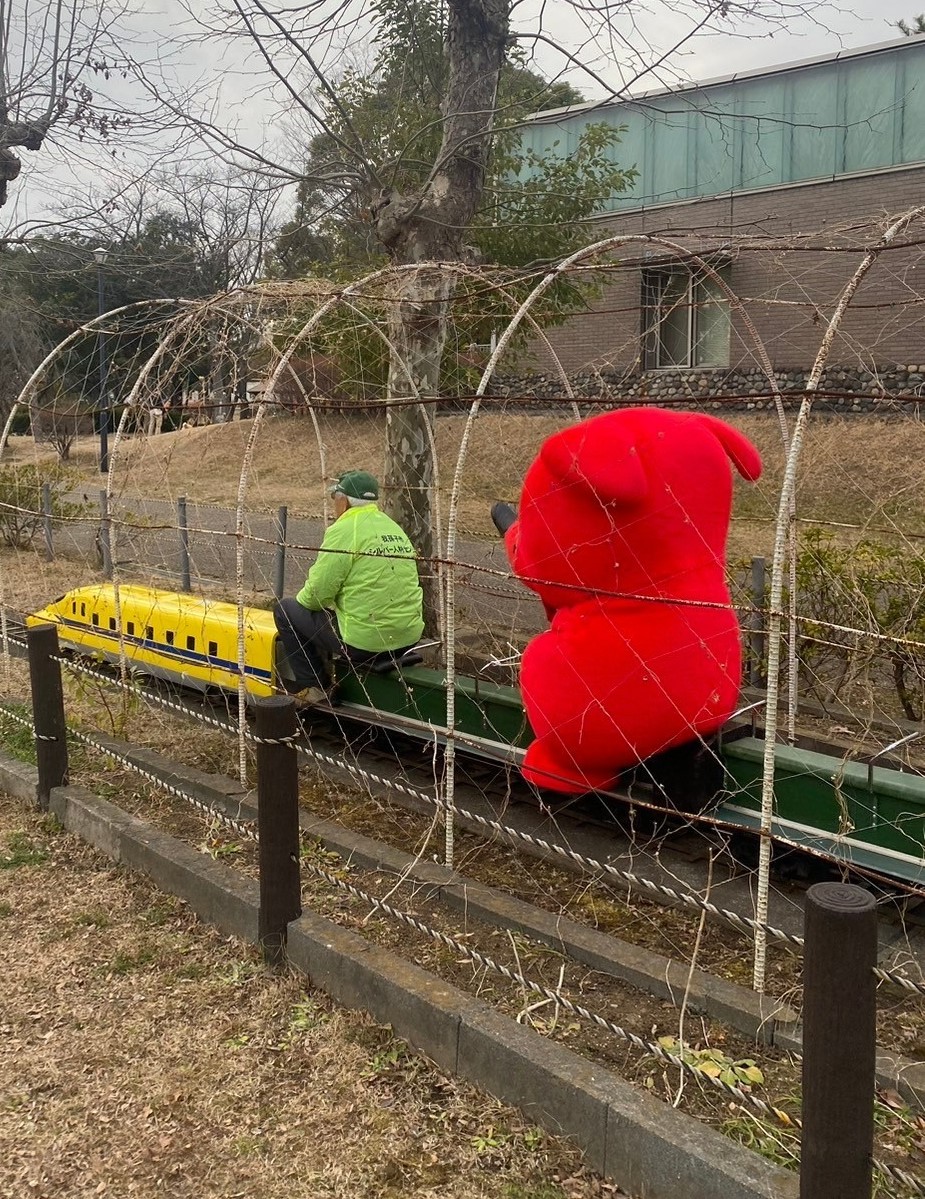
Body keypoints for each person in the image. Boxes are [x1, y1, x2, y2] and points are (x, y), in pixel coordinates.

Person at [274, 470, 424, 707]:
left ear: (343, 500)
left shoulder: (344, 530)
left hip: (365, 643)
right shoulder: (394, 529)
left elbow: (314, 597)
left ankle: (313, 687)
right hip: (408, 637)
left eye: (335, 499)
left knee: (286, 610)